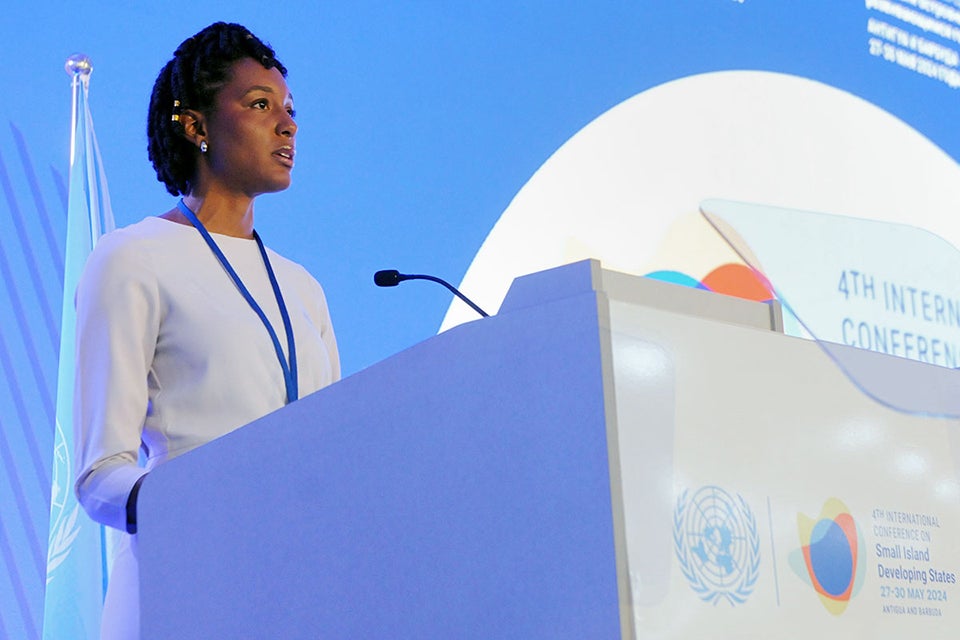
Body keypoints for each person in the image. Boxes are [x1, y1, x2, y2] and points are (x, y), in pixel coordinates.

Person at [73, 22, 340, 639]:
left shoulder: (303, 287)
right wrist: (201, 509)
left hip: (301, 598)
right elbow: (101, 475)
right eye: (258, 105)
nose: (287, 124)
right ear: (195, 126)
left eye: (289, 109)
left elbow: (335, 449)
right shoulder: (132, 257)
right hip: (182, 596)